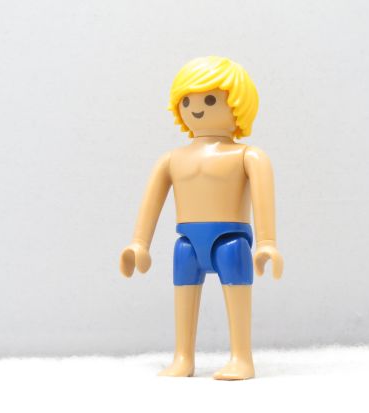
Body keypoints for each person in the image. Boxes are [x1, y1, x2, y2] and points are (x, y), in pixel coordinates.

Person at [119, 56, 283, 380]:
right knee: (183, 295)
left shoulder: (249, 156)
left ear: (239, 104)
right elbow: (151, 202)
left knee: (236, 295)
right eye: (186, 101)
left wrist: (267, 243)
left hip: (230, 241)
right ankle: (183, 358)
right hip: (188, 244)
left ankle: (242, 358)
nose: (196, 108)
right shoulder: (171, 159)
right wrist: (139, 244)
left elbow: (263, 199)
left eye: (209, 100)